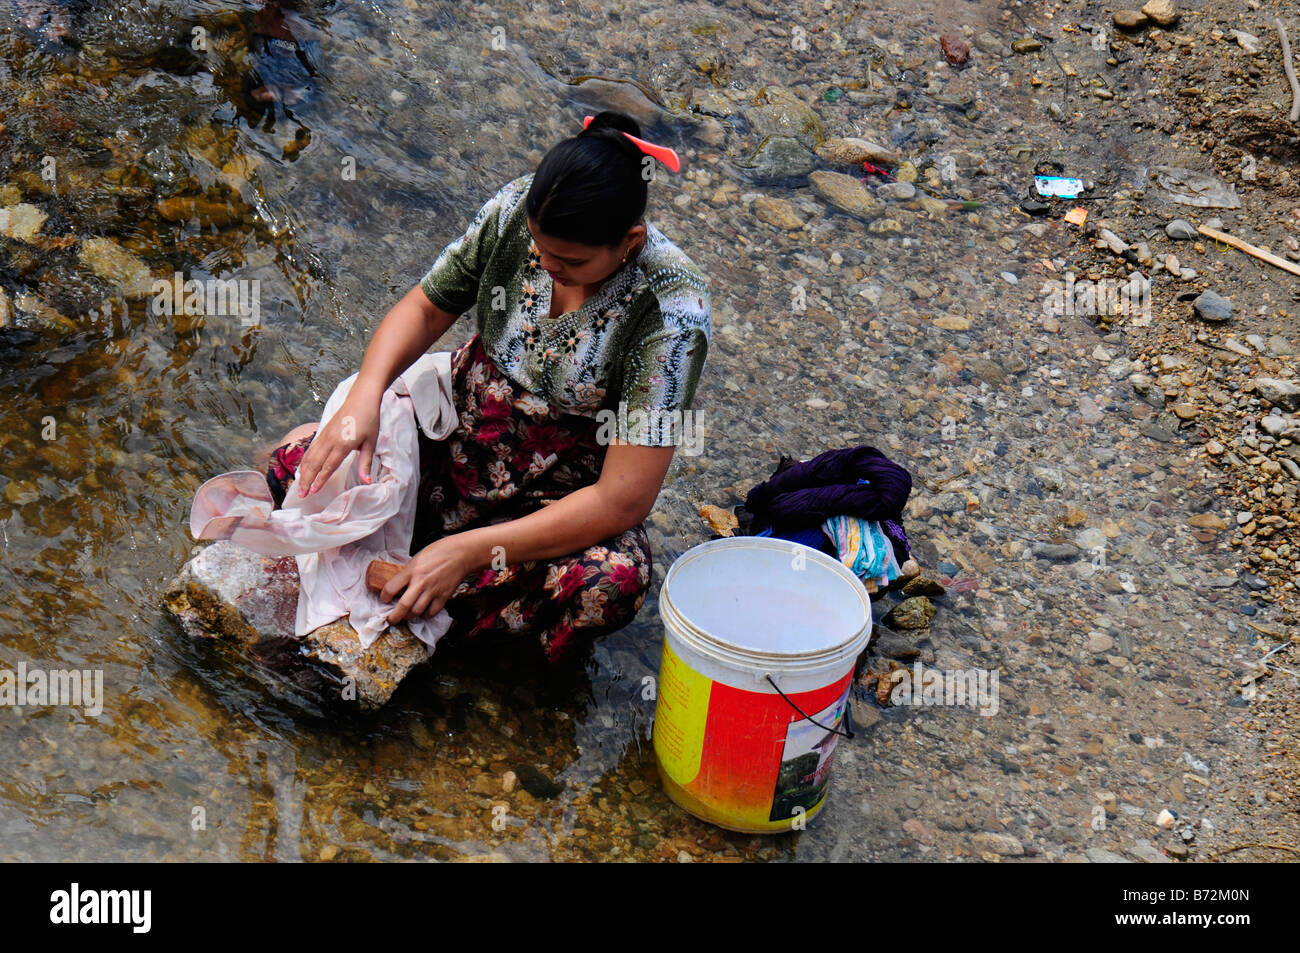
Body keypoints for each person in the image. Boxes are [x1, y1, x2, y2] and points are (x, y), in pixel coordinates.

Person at [265, 111, 711, 666]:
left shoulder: (670, 309)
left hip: (554, 497)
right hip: (457, 434)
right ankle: (424, 592)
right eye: (539, 249)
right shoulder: (515, 210)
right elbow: (428, 308)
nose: (547, 268)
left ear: (630, 241)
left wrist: (470, 552)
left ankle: (429, 590)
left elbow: (624, 497)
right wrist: (365, 398)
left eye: (570, 261)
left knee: (607, 585)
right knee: (297, 465)